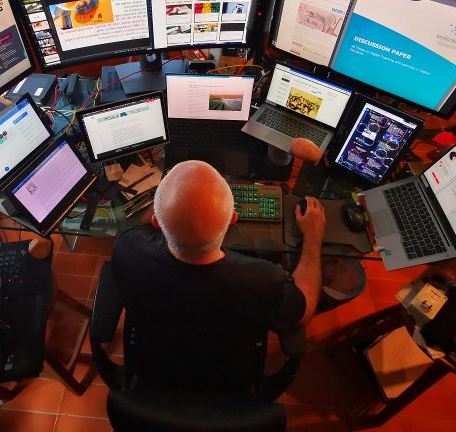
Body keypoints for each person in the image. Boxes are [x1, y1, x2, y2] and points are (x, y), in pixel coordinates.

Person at [111, 160, 324, 389]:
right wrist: (312, 239)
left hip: (155, 370)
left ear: (156, 223)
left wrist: (175, 197)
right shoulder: (265, 280)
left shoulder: (128, 248)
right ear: (233, 218)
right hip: (229, 380)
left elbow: (145, 224)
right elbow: (306, 307)